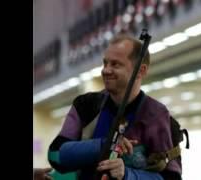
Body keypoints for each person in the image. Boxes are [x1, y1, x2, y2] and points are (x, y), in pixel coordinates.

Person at [47, 33, 182, 180]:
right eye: (105, 63)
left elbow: (171, 177)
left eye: (115, 64)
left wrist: (127, 175)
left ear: (141, 71)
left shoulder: (156, 115)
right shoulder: (86, 105)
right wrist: (103, 145)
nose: (106, 70)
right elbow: (55, 156)